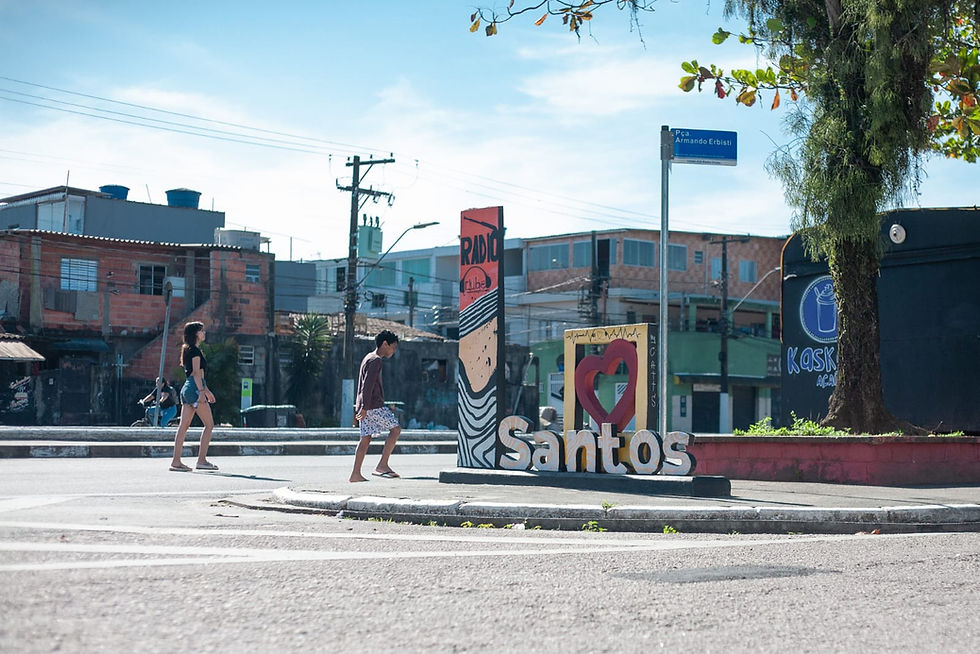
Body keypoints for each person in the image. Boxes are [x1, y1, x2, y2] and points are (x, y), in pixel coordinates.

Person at [350, 330, 401, 482]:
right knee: (396, 429)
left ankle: (355, 474)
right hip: (372, 405)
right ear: (385, 344)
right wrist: (365, 407)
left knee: (365, 439)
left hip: (364, 405)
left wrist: (361, 407)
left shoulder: (368, 357)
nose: (394, 350)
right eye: (393, 347)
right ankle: (382, 465)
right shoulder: (376, 360)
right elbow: (368, 385)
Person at [169, 321, 219, 472]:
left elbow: (194, 376)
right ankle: (202, 460)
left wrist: (207, 391)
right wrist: (202, 392)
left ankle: (176, 461)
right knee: (209, 425)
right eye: (202, 331)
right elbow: (197, 374)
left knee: (183, 427)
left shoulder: (187, 350)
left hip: (188, 389)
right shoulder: (196, 351)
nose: (204, 333)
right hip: (195, 389)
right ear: (196, 333)